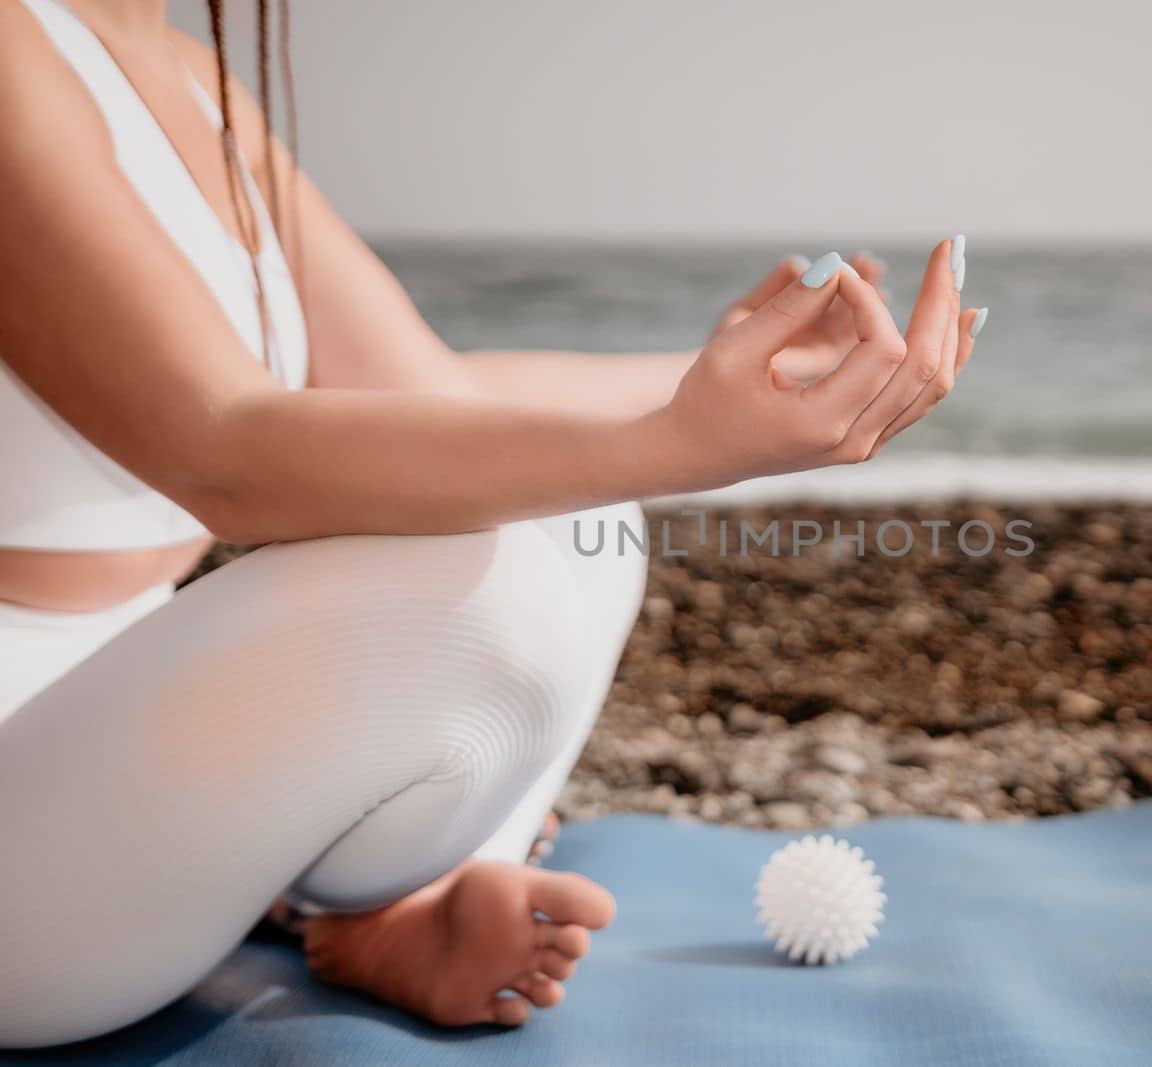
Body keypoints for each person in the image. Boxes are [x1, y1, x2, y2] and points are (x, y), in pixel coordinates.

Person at [0, 0, 985, 1048]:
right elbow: (230, 457)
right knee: (493, 585)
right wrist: (684, 442)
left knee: (571, 513)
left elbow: (428, 398)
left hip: (125, 744)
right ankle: (379, 890)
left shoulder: (195, 77)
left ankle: (376, 898)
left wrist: (736, 386)